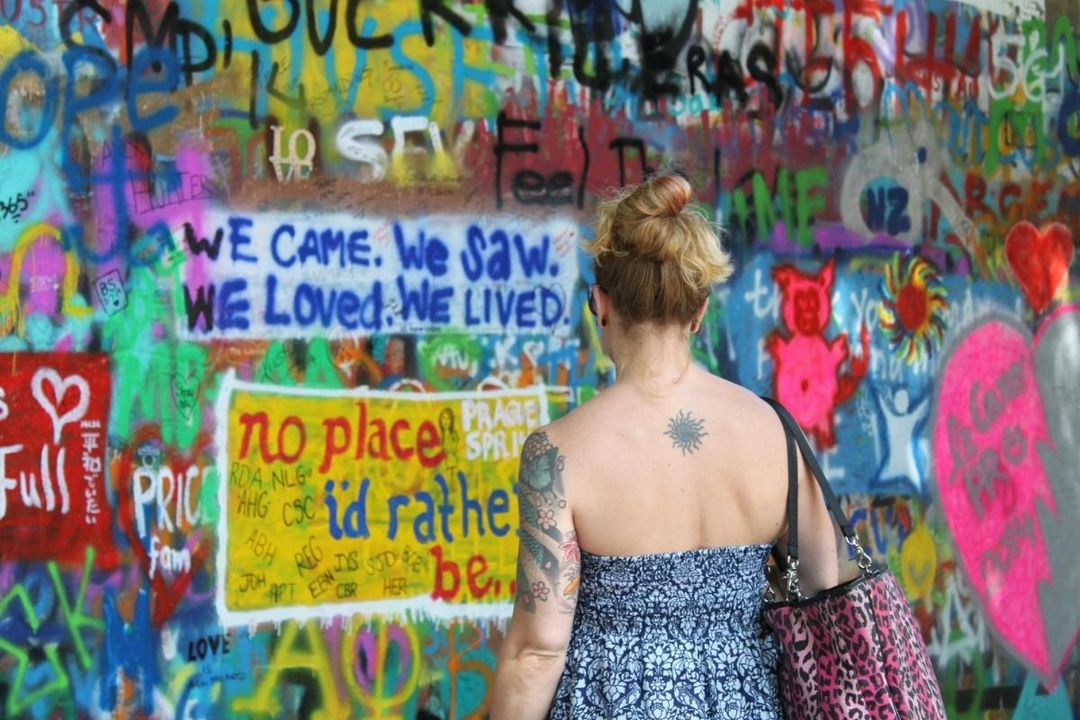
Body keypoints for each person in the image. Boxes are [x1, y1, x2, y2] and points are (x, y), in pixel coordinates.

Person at [490, 172, 839, 719]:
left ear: (600, 304)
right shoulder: (775, 432)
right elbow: (825, 585)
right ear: (699, 311)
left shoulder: (557, 454)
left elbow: (538, 651)